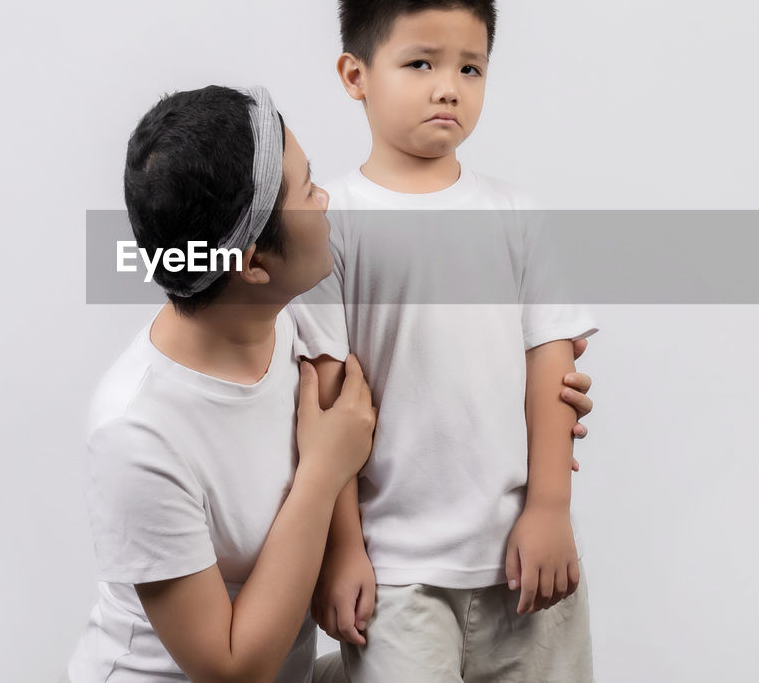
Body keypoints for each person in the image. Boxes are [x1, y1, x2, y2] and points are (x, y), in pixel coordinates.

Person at [68, 85, 597, 682]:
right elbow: (232, 669)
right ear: (251, 264)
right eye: (307, 190)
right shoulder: (137, 434)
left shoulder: (290, 332)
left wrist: (522, 394)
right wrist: (323, 471)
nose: (327, 202)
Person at [287, 0, 599, 681]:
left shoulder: (514, 212)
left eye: (470, 67)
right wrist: (344, 547)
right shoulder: (330, 221)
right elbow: (324, 395)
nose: (448, 87)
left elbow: (551, 361)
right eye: (420, 63)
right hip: (396, 573)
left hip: (524, 560)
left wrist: (550, 507)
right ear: (355, 75)